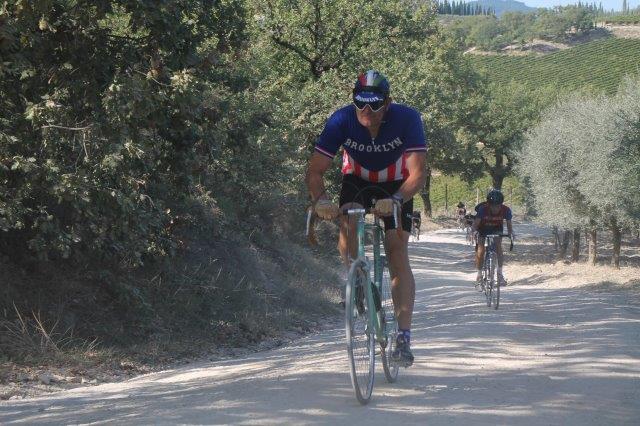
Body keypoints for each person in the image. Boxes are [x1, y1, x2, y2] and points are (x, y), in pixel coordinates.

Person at [305, 70, 427, 367]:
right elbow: (315, 171)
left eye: (374, 104)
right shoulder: (341, 120)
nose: (366, 110)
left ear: (388, 103)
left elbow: (418, 174)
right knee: (347, 227)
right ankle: (356, 278)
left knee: (397, 249)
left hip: (396, 185)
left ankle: (403, 336)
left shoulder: (407, 118)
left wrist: (396, 199)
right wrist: (321, 200)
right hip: (356, 180)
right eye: (360, 102)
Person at [471, 189, 514, 286]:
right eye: (492, 206)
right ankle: (479, 274)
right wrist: (474, 232)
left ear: (501, 204)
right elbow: (475, 224)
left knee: (498, 247)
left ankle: (500, 274)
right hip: (483, 228)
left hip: (496, 228)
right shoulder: (483, 209)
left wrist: (510, 234)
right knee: (481, 249)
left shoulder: (506, 210)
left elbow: (509, 225)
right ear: (488, 204)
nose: (495, 208)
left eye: (497, 206)